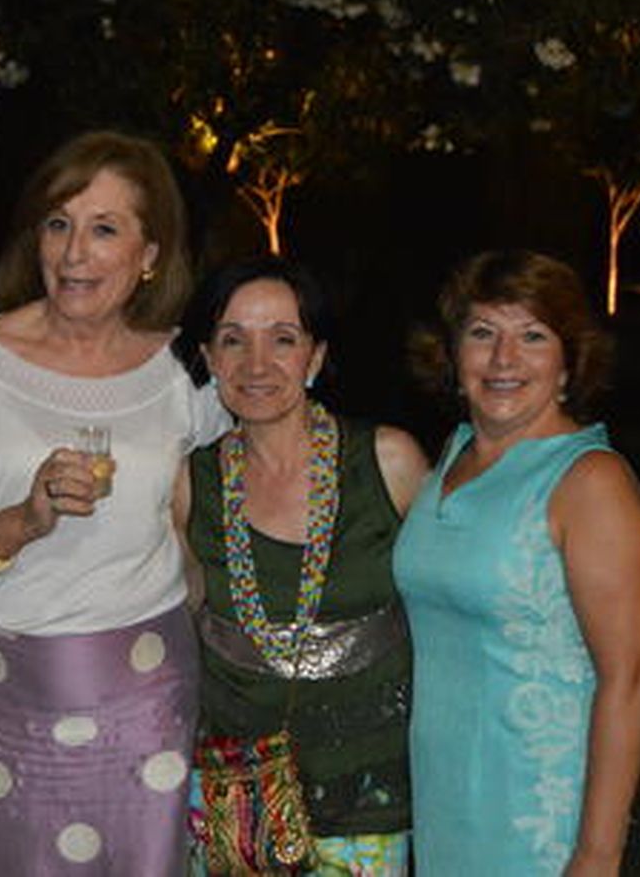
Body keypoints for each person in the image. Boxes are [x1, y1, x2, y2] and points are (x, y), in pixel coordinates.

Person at [0, 130, 224, 875]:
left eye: (104, 228)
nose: (75, 252)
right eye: (58, 223)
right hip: (7, 690)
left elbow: (245, 480)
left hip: (148, 691)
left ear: (149, 254)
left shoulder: (182, 371)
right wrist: (22, 521)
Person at [393, 250, 640, 876]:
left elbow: (626, 680)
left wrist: (597, 854)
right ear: (453, 354)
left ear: (569, 362)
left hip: (537, 813)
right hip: (444, 797)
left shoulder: (590, 481)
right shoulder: (454, 455)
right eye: (483, 332)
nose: (503, 359)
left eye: (533, 336)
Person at [173, 257, 429, 876]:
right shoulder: (190, 482)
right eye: (233, 340)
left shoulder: (388, 461)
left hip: (368, 796)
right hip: (235, 795)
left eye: (282, 339)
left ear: (315, 357)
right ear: (208, 358)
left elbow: (449, 612)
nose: (256, 364)